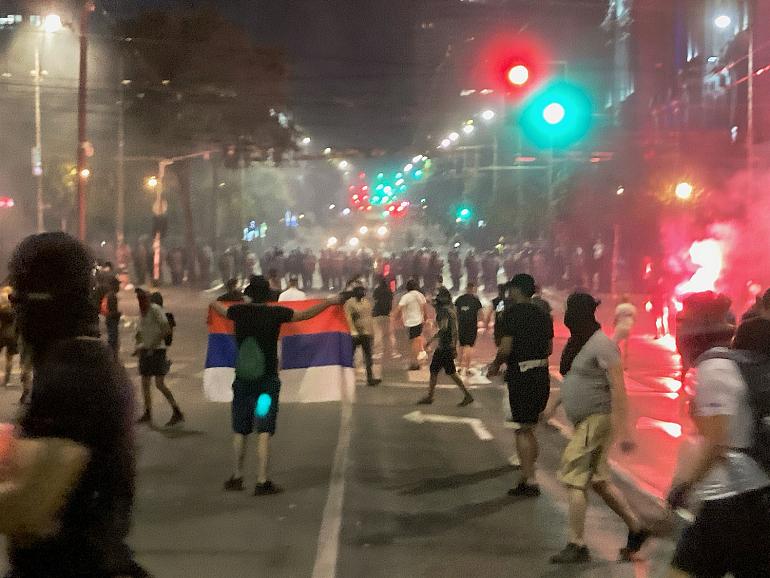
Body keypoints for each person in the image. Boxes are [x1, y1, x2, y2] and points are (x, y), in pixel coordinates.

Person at [6, 232, 147, 577]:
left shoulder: (73, 374)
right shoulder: (85, 360)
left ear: (39, 304)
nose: (13, 317)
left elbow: (27, 505)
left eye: (16, 300)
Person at [210, 276, 339, 495]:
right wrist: (328, 302)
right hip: (266, 383)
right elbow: (304, 315)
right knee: (263, 429)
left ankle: (237, 476)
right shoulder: (275, 313)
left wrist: (217, 301)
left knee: (240, 429)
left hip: (243, 381)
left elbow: (217, 307)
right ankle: (262, 480)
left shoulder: (238, 312)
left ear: (249, 294)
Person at [665, 317, 770, 577]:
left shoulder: (716, 368)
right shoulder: (755, 377)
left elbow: (715, 442)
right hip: (757, 492)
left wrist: (685, 487)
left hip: (726, 497)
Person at [551, 292, 649, 564]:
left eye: (571, 311)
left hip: (595, 421)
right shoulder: (578, 344)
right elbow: (573, 380)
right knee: (598, 481)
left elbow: (619, 389)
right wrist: (553, 406)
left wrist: (625, 430)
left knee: (573, 476)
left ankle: (577, 544)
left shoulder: (602, 345)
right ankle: (636, 528)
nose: (567, 316)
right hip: (585, 422)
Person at [487, 274, 553, 497]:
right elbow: (549, 348)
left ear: (516, 290)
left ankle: (529, 480)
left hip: (521, 374)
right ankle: (528, 474)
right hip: (541, 373)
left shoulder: (511, 313)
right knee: (530, 427)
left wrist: (495, 365)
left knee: (522, 429)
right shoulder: (543, 314)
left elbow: (505, 348)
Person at [134, 288, 183, 427]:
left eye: (142, 297)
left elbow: (166, 329)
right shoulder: (143, 311)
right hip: (146, 350)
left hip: (157, 351)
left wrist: (153, 346)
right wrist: (138, 346)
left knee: (159, 384)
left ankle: (176, 411)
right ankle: (148, 413)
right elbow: (140, 331)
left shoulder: (155, 309)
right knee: (145, 382)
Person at [419, 287, 473, 406]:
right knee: (443, 371)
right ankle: (431, 396)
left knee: (444, 371)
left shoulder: (444, 312)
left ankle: (466, 395)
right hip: (446, 346)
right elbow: (453, 330)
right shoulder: (450, 310)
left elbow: (444, 329)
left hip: (445, 346)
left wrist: (430, 341)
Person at [344, 285, 381, 386]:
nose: (362, 293)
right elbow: (348, 318)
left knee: (368, 357)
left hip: (366, 333)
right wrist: (352, 331)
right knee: (350, 356)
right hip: (355, 334)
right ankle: (346, 378)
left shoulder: (366, 302)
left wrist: (372, 332)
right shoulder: (350, 303)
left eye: (363, 291)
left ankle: (370, 378)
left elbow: (369, 317)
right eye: (360, 291)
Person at [397, 279, 428, 371]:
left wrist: (395, 318)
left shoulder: (406, 297)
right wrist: (425, 318)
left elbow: (399, 308)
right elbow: (424, 308)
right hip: (419, 322)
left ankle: (415, 363)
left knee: (413, 343)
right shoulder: (420, 295)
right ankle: (420, 357)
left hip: (410, 323)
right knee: (416, 341)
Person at [454, 282, 483, 376]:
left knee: (461, 346)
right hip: (472, 326)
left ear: (466, 288)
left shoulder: (460, 299)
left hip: (462, 325)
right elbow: (480, 314)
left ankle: (459, 366)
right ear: (473, 289)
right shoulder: (476, 300)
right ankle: (467, 367)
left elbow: (455, 312)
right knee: (469, 346)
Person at [372, 275, 397, 360]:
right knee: (389, 334)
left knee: (378, 334)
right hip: (386, 314)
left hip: (377, 314)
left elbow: (374, 298)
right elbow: (391, 301)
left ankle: (378, 352)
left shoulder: (377, 290)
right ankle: (390, 351)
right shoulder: (389, 290)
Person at [613, 294, 637, 364]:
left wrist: (614, 323)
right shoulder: (632, 307)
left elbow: (616, 316)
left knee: (614, 342)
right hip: (629, 325)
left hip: (621, 325)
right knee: (626, 344)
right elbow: (634, 317)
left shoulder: (619, 307)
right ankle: (625, 361)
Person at [104, 276, 122, 359]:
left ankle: (112, 356)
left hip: (110, 320)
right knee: (113, 340)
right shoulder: (112, 296)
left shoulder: (109, 295)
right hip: (112, 321)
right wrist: (118, 314)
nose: (119, 287)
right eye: (117, 285)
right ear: (113, 286)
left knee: (112, 339)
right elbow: (112, 311)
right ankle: (112, 357)